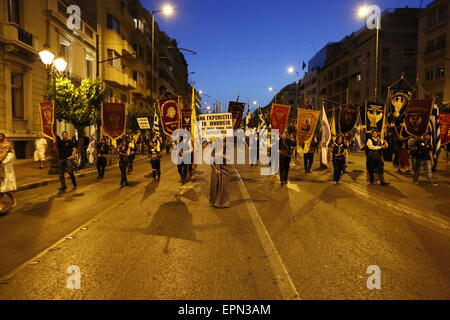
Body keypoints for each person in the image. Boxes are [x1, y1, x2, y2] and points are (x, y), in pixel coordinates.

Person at [0, 136, 16, 213]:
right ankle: (1, 203)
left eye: (5, 146)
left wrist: (5, 152)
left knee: (4, 190)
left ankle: (12, 199)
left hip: (6, 174)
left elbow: (2, 161)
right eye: (2, 147)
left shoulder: (10, 154)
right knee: (1, 190)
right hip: (1, 173)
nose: (2, 148)